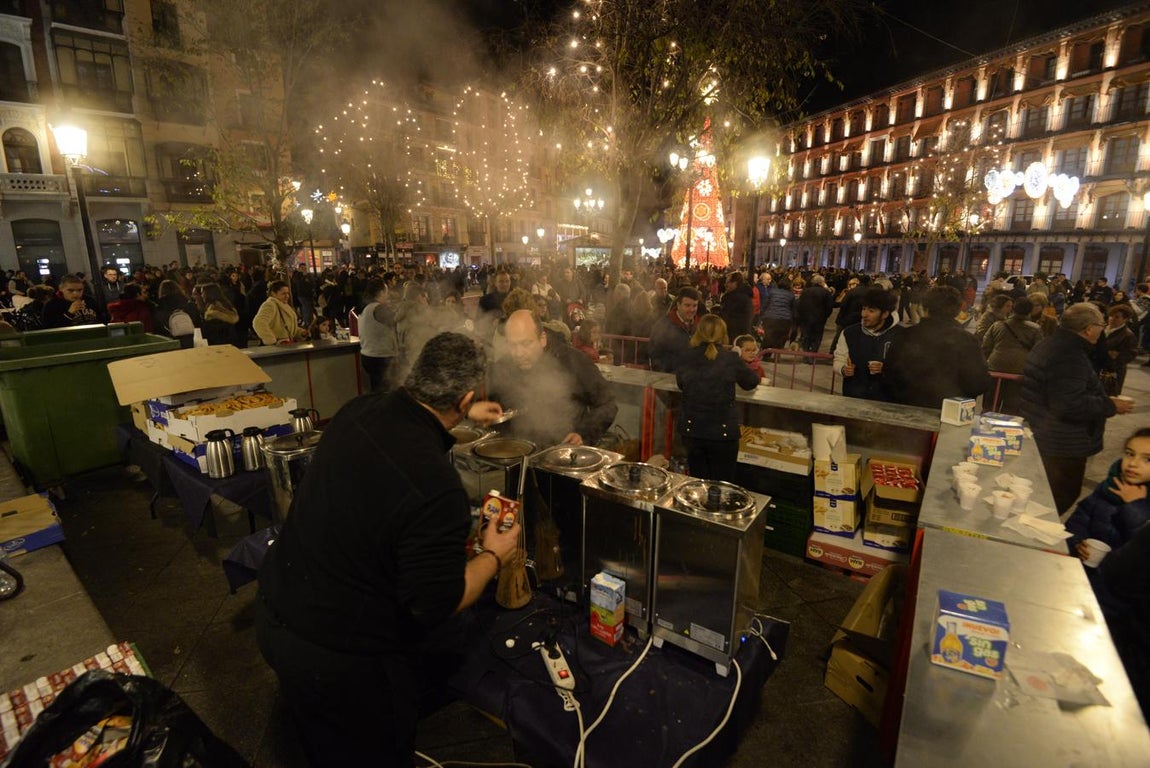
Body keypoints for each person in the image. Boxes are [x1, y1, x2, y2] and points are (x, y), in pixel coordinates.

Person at [257, 333, 520, 767]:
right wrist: (493, 554)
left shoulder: (358, 410)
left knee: (318, 745)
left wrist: (463, 410)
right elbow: (437, 602)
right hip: (338, 656)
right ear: (464, 397)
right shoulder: (435, 487)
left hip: (276, 610)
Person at [1021, 303, 1135, 515]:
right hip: (1061, 442)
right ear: (1089, 328)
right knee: (1059, 496)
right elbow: (1068, 404)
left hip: (1046, 432)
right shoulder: (1068, 355)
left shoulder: (1052, 343)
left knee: (1044, 496)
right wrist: (1110, 405)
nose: (1103, 329)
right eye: (1101, 325)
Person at [487, 310, 617, 447]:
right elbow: (490, 404)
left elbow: (607, 404)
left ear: (542, 339)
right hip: (516, 449)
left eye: (526, 343)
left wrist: (583, 434)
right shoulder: (504, 366)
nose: (518, 353)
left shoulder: (573, 361)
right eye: (512, 345)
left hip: (562, 450)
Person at [676, 315, 760, 482]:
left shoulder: (687, 356)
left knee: (698, 483)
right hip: (722, 433)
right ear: (723, 334)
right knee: (722, 485)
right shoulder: (730, 358)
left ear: (699, 332)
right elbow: (751, 382)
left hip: (692, 430)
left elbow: (681, 383)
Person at [885, 286, 992, 409]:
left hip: (906, 408)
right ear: (957, 311)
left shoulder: (905, 335)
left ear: (925, 308)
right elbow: (978, 382)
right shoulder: (967, 341)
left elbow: (889, 373)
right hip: (950, 412)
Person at [1065, 428, 1150, 560]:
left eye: (1147, 460)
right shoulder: (1111, 485)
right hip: (1084, 565)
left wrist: (1135, 506)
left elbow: (1142, 549)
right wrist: (1077, 543)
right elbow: (1080, 519)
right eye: (1130, 454)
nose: (1133, 463)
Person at [833, 288, 903, 402]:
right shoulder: (849, 333)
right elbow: (839, 358)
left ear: (885, 314)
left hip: (887, 399)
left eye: (871, 311)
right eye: (863, 309)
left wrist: (886, 369)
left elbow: (907, 368)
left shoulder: (900, 335)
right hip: (854, 396)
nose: (864, 314)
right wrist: (843, 369)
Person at [981, 296, 1042, 414]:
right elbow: (1038, 352)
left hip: (995, 367)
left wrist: (985, 364)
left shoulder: (998, 325)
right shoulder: (1035, 329)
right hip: (1019, 370)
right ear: (1030, 311)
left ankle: (986, 420)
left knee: (990, 403)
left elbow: (986, 347)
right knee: (1011, 406)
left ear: (1013, 309)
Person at [648, 287, 702, 372]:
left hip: (694, 377)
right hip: (671, 376)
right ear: (678, 305)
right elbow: (655, 355)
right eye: (687, 305)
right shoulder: (663, 325)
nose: (691, 310)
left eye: (694, 305)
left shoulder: (701, 325)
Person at [358, 280, 399, 394]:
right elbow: (396, 320)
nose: (388, 295)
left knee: (376, 390)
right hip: (381, 357)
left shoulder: (365, 308)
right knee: (386, 391)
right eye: (386, 291)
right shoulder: (378, 308)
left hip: (367, 355)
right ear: (381, 292)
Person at [1094, 304, 1138, 396]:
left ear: (1125, 319)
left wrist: (1116, 355)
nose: (1112, 318)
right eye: (1111, 315)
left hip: (1113, 371)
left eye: (1117, 317)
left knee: (1109, 395)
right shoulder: (1103, 328)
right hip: (1098, 367)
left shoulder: (1127, 335)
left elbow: (1131, 354)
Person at [253, 280, 308, 346]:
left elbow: (288, 327)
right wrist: (271, 340)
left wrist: (301, 333)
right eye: (283, 293)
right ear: (273, 293)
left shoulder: (283, 304)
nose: (287, 296)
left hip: (286, 345)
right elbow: (258, 323)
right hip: (278, 346)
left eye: (288, 293)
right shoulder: (270, 305)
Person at [794, 274, 834, 353]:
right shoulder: (826, 292)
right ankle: (813, 353)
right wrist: (825, 316)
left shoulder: (806, 291)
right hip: (819, 319)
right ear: (822, 282)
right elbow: (829, 307)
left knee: (806, 336)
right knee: (817, 337)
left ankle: (806, 353)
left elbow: (800, 304)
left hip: (806, 318)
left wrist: (801, 315)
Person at [718, 272, 755, 343]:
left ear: (735, 283)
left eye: (727, 282)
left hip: (735, 335)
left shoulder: (739, 298)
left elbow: (746, 319)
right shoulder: (733, 296)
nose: (725, 284)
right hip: (733, 333)